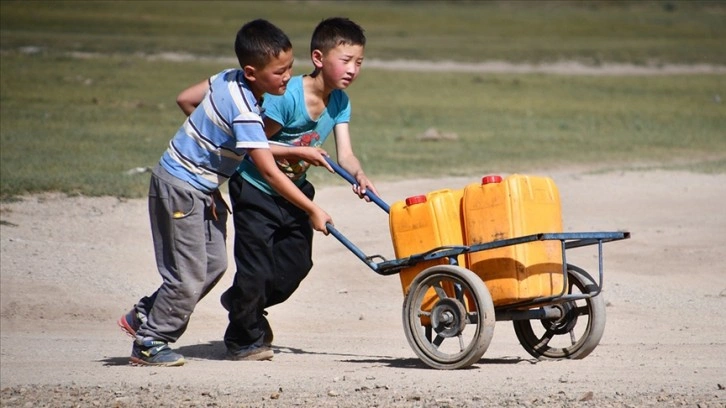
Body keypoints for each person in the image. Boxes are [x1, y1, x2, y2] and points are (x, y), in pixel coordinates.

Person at [116, 19, 333, 366]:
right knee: (186, 276)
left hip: (199, 186)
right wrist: (312, 209)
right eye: (279, 72)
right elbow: (267, 170)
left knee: (214, 266)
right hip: (179, 189)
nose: (287, 78)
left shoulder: (225, 78)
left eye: (290, 67)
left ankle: (145, 313)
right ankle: (151, 341)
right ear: (252, 71)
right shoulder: (246, 110)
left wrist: (210, 163)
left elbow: (186, 99)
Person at [175, 17, 376, 361]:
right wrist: (298, 152)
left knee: (296, 267)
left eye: (359, 62)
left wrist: (359, 174)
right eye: (345, 60)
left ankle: (243, 303)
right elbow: (256, 146)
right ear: (318, 58)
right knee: (256, 271)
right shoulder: (286, 99)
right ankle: (243, 338)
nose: (353, 69)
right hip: (256, 189)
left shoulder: (340, 102)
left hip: (295, 192)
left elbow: (346, 154)